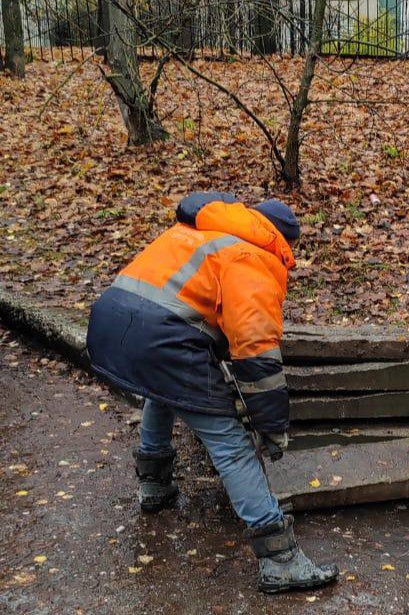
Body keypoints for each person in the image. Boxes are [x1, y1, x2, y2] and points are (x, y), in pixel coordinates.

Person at [86, 192, 339, 594]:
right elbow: (257, 355)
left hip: (110, 322)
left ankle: (154, 485)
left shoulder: (200, 232)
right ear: (284, 242)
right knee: (229, 442)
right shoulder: (251, 258)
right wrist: (271, 426)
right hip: (162, 340)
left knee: (163, 391)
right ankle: (280, 558)